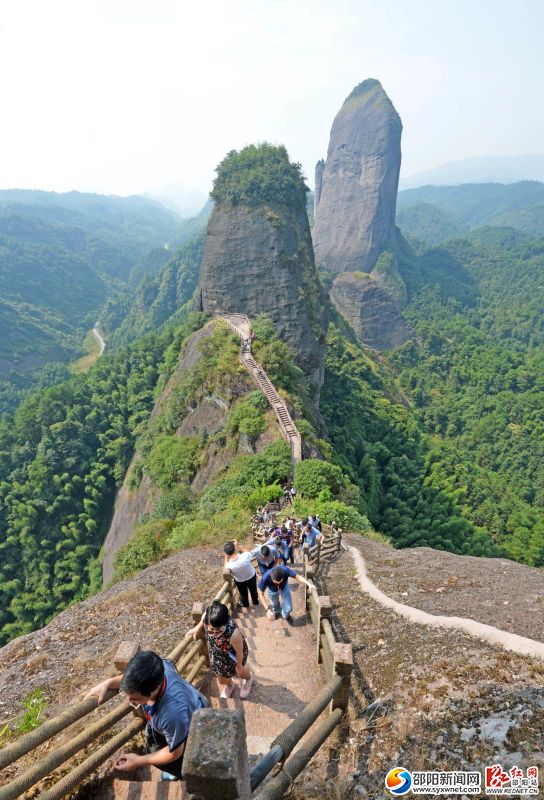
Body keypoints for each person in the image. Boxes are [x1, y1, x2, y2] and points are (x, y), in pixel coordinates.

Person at [85, 650, 209, 781]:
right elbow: (134, 679)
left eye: (135, 698)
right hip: (190, 705)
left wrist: (138, 761)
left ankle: (179, 773)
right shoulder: (158, 668)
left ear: (153, 689)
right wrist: (108, 683)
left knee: (180, 763)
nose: (128, 701)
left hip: (191, 729)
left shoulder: (172, 714)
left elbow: (175, 752)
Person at [187, 600, 253, 699]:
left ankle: (248, 679)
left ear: (225, 622)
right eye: (211, 629)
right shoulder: (208, 618)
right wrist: (197, 628)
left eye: (218, 630)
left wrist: (239, 666)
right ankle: (230, 685)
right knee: (221, 680)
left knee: (241, 672)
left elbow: (239, 652)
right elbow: (205, 615)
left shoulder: (233, 634)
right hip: (217, 653)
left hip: (233, 655)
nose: (214, 633)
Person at [224, 540, 259, 607]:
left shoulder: (229, 565)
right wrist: (238, 545)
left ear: (227, 554)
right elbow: (249, 553)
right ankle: (255, 602)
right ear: (235, 549)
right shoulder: (245, 556)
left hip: (240, 581)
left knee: (243, 593)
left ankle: (245, 604)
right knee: (253, 590)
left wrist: (226, 556)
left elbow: (225, 566)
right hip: (251, 576)